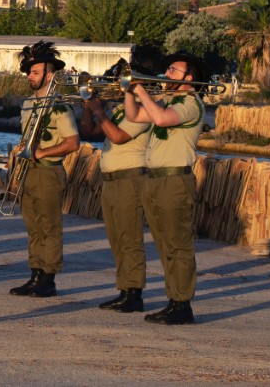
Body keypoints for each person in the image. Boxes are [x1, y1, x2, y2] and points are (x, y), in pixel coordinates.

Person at [123, 52, 208, 325]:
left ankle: (182, 304)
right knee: (163, 244)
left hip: (174, 181)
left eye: (173, 70)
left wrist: (140, 89)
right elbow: (134, 115)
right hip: (155, 180)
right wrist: (129, 89)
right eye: (168, 68)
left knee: (178, 245)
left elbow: (160, 119)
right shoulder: (170, 99)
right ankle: (174, 299)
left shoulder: (190, 104)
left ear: (189, 78)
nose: (166, 73)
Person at [78, 58, 153, 314]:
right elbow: (89, 131)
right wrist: (89, 104)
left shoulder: (145, 109)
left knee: (129, 238)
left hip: (130, 178)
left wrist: (100, 111)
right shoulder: (123, 110)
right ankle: (124, 289)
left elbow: (118, 137)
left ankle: (134, 293)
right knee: (116, 238)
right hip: (113, 180)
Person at [9, 40, 79, 299]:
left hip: (48, 171)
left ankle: (48, 278)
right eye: (29, 72)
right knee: (33, 226)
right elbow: (24, 140)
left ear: (49, 75)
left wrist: (42, 152)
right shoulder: (27, 104)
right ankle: (35, 274)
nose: (30, 76)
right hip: (28, 171)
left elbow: (73, 143)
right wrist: (17, 169)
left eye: (35, 72)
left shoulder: (59, 106)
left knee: (49, 226)